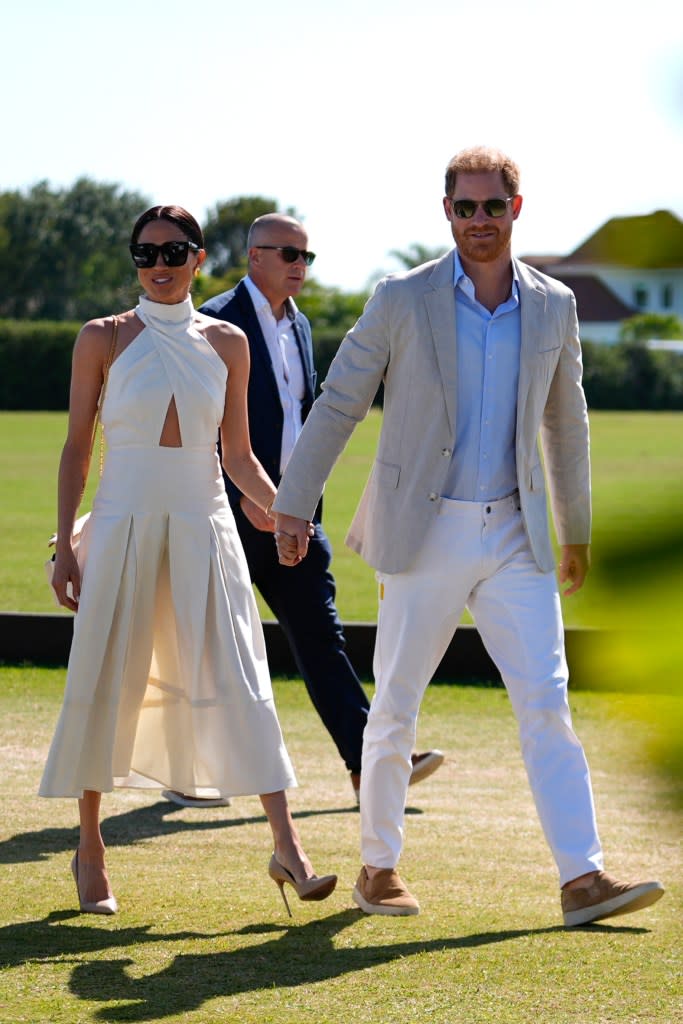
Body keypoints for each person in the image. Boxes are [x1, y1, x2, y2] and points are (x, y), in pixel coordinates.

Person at [272, 147, 665, 925]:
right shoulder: (400, 298)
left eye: (492, 207)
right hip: (424, 533)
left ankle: (581, 879)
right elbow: (341, 399)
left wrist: (574, 529)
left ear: (516, 209)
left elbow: (565, 420)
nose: (477, 221)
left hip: (515, 536)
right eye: (464, 207)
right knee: (394, 705)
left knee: (546, 702)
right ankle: (377, 868)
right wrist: (293, 504)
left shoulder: (553, 303)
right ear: (444, 211)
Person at [40, 205, 336, 917]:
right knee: (106, 672)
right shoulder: (102, 338)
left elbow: (237, 455)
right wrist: (63, 545)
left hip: (206, 525)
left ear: (200, 258)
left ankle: (287, 850)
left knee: (241, 672)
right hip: (121, 523)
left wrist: (284, 514)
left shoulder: (229, 342)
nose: (159, 264)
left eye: (174, 251)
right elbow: (79, 447)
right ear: (134, 260)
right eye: (145, 253)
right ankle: (89, 849)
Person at [159, 213, 441, 809]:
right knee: (211, 640)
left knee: (320, 633)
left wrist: (298, 502)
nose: (299, 265)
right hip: (225, 510)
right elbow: (191, 420)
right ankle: (185, 770)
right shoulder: (212, 321)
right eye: (288, 253)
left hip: (292, 511)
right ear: (253, 255)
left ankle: (368, 764)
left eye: (306, 257)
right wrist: (243, 497)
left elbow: (307, 416)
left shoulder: (302, 326)